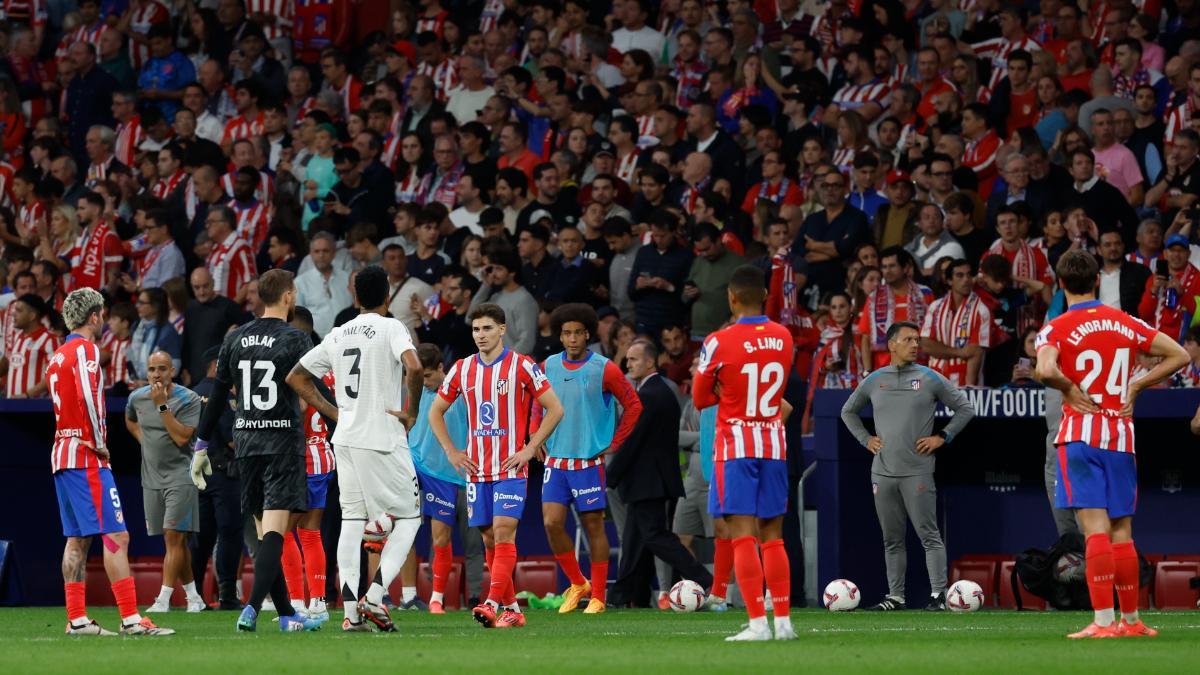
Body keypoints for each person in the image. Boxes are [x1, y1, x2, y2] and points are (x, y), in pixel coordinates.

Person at [1034, 249, 1189, 638]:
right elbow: (1180, 354)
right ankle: (1132, 621)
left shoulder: (1056, 326)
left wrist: (1068, 386)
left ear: (1061, 282)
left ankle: (1103, 622)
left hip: (1080, 436)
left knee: (1095, 531)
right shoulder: (1124, 321)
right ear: (1098, 281)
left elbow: (1044, 369)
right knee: (1123, 531)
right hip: (1120, 435)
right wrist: (1138, 383)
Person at [287, 265, 424, 632]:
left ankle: (350, 615)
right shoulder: (392, 327)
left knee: (351, 521)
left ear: (355, 297)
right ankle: (375, 598)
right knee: (409, 518)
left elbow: (296, 376)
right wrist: (410, 412)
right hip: (381, 439)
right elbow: (415, 367)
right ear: (387, 294)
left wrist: (336, 413)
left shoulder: (338, 332)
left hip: (345, 439)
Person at [189, 269, 324, 633]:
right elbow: (314, 390)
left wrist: (201, 444)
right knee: (277, 536)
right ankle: (250, 608)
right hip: (282, 445)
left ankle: (286, 616)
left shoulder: (235, 339)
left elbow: (218, 395)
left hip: (246, 446)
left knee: (266, 537)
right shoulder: (297, 339)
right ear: (288, 297)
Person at [428, 303, 564, 629]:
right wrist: (451, 451)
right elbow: (435, 412)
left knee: (504, 533)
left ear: (502, 330)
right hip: (477, 470)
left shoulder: (522, 366)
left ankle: (490, 603)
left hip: (510, 467)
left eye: (487, 328)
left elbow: (555, 409)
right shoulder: (462, 369)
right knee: (490, 540)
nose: (480, 335)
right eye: (476, 329)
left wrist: (530, 448)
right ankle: (513, 609)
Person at [50, 288, 173, 635]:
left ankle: (76, 620)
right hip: (85, 454)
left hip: (62, 453)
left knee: (77, 540)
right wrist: (98, 441)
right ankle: (132, 619)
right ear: (93, 317)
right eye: (102, 313)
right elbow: (89, 395)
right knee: (115, 535)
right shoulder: (86, 348)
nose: (104, 319)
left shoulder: (58, 354)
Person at [689, 264, 796, 640]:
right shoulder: (784, 337)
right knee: (774, 534)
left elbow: (701, 398)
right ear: (765, 295)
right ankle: (782, 622)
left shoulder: (719, 341)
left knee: (742, 535)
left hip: (735, 445)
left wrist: (725, 392)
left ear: (731, 297)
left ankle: (756, 624)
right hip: (773, 442)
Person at [841, 320, 975, 612]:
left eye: (917, 340)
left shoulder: (929, 378)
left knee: (929, 535)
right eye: (908, 340)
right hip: (882, 471)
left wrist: (943, 436)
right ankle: (896, 596)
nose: (915, 345)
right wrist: (866, 440)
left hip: (917, 470)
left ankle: (939, 595)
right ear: (891, 345)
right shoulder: (875, 379)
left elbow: (966, 408)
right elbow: (847, 411)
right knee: (892, 539)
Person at [539, 304, 643, 615]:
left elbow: (634, 405)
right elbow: (535, 403)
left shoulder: (605, 368)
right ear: (560, 335)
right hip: (556, 461)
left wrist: (613, 443)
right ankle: (577, 583)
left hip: (587, 461)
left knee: (593, 526)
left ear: (587, 335)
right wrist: (536, 437)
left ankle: (598, 595)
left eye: (578, 333)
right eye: (567, 333)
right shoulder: (547, 366)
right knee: (551, 523)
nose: (572, 339)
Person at [607, 339, 715, 609]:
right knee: (633, 541)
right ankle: (619, 596)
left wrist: (610, 476)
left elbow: (633, 441)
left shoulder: (650, 394)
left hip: (648, 480)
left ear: (650, 362)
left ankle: (704, 579)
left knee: (656, 536)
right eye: (628, 359)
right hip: (651, 479)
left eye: (633, 359)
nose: (628, 363)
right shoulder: (659, 391)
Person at [125, 351, 205, 614]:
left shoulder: (189, 399)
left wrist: (161, 406)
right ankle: (194, 597)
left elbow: (183, 438)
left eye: (162, 369)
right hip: (151, 479)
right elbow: (130, 420)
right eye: (151, 370)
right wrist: (144, 441)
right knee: (175, 542)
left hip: (181, 477)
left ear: (173, 371)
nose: (156, 374)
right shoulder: (136, 398)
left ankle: (163, 599)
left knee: (173, 537)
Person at [407, 342, 483, 614]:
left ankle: (477, 596)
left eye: (427, 376)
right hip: (424, 471)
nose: (423, 382)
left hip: (462, 475)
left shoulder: (461, 391)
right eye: (419, 376)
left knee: (477, 541)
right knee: (436, 536)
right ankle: (434, 598)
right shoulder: (413, 390)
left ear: (442, 369)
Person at [278, 309, 335, 620]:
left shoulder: (296, 368)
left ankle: (298, 602)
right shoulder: (323, 367)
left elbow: (299, 407)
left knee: (284, 532)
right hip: (320, 452)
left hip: (302, 457)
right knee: (310, 532)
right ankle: (318, 603)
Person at [919, 260, 992, 386]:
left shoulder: (981, 310)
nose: (966, 279)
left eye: (969, 275)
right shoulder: (935, 307)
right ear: (949, 281)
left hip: (964, 384)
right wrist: (960, 352)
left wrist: (969, 389)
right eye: (960, 275)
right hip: (935, 381)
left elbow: (975, 352)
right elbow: (926, 346)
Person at [1, 294, 58, 398]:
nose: (13, 314)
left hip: (35, 408)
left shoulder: (49, 339)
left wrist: (27, 395)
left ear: (32, 316)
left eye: (19, 311)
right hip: (11, 406)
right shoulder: (18, 337)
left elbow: (54, 373)